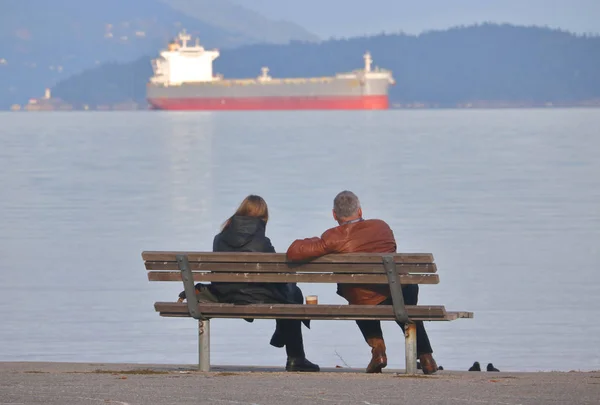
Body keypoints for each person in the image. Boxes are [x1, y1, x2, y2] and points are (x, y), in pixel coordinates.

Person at [286, 191, 438, 374]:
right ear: (359, 211)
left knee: (361, 296)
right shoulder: (381, 226)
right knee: (402, 306)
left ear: (334, 215)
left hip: (366, 299)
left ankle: (378, 352)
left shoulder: (333, 237)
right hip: (404, 289)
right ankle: (426, 357)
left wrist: (319, 241)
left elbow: (295, 251)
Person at [179, 195, 319, 372]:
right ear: (264, 217)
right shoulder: (261, 241)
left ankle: (283, 337)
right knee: (292, 294)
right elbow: (278, 275)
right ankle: (295, 357)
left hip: (226, 293)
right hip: (257, 295)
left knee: (289, 293)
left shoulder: (219, 238)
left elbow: (217, 275)